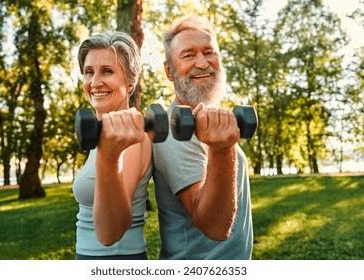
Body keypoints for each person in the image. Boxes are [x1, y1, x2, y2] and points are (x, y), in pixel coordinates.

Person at [152, 15, 253, 260]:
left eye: (209, 52)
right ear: (169, 70)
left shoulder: (210, 122)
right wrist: (222, 149)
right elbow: (215, 227)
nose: (202, 63)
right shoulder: (174, 130)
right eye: (188, 55)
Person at [72, 31, 152, 260]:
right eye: (89, 72)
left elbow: (110, 233)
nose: (95, 82)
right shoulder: (105, 133)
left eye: (107, 71)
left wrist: (109, 157)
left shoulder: (131, 138)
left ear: (129, 83)